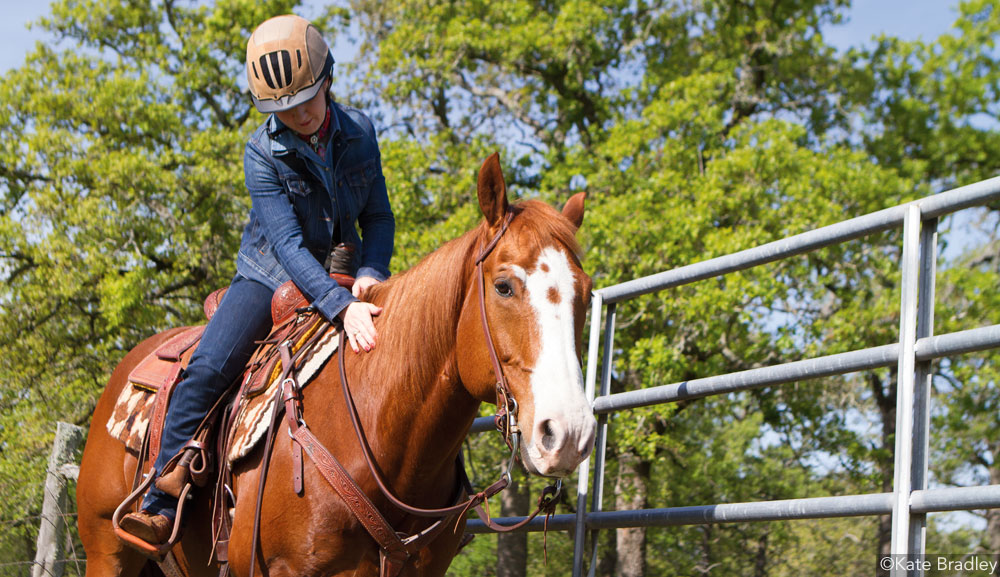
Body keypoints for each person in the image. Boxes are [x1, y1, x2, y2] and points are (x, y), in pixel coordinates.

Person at [119, 14, 394, 545]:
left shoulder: (361, 132)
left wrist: (369, 272)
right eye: (284, 110)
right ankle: (160, 498)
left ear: (328, 80)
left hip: (347, 276)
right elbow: (288, 246)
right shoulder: (260, 152)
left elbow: (377, 217)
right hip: (269, 275)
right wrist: (341, 308)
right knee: (207, 369)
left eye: (307, 102)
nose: (299, 116)